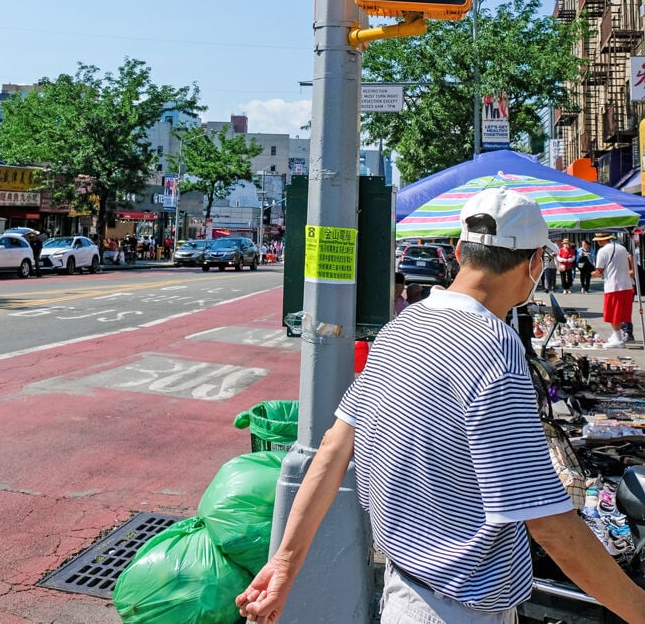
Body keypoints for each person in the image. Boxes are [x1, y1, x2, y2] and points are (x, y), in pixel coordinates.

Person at [236, 188, 645, 624]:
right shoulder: (496, 349)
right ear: (533, 264)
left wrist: (285, 563)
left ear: (459, 251)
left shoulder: (401, 327)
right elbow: (550, 526)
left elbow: (333, 449)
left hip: (402, 595)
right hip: (461, 611)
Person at [591, 232, 635, 346]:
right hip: (627, 285)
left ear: (601, 240)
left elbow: (599, 270)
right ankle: (616, 335)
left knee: (613, 314)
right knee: (621, 314)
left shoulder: (602, 251)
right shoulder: (622, 248)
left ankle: (618, 339)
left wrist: (591, 274)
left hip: (613, 286)